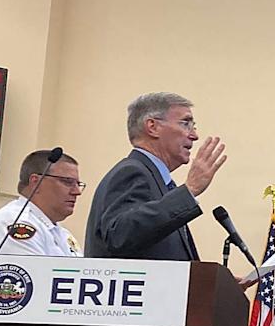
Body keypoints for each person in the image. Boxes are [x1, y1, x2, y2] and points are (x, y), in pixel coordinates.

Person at [85, 92, 227, 260]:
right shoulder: (131, 172)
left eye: (193, 126)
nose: (194, 135)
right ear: (152, 127)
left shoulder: (159, 181)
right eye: (185, 124)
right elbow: (120, 236)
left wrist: (213, 282)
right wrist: (189, 190)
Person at [0, 149, 84, 256]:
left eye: (78, 184)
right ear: (36, 182)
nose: (77, 192)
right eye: (67, 182)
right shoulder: (13, 223)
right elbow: (35, 274)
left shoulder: (62, 234)